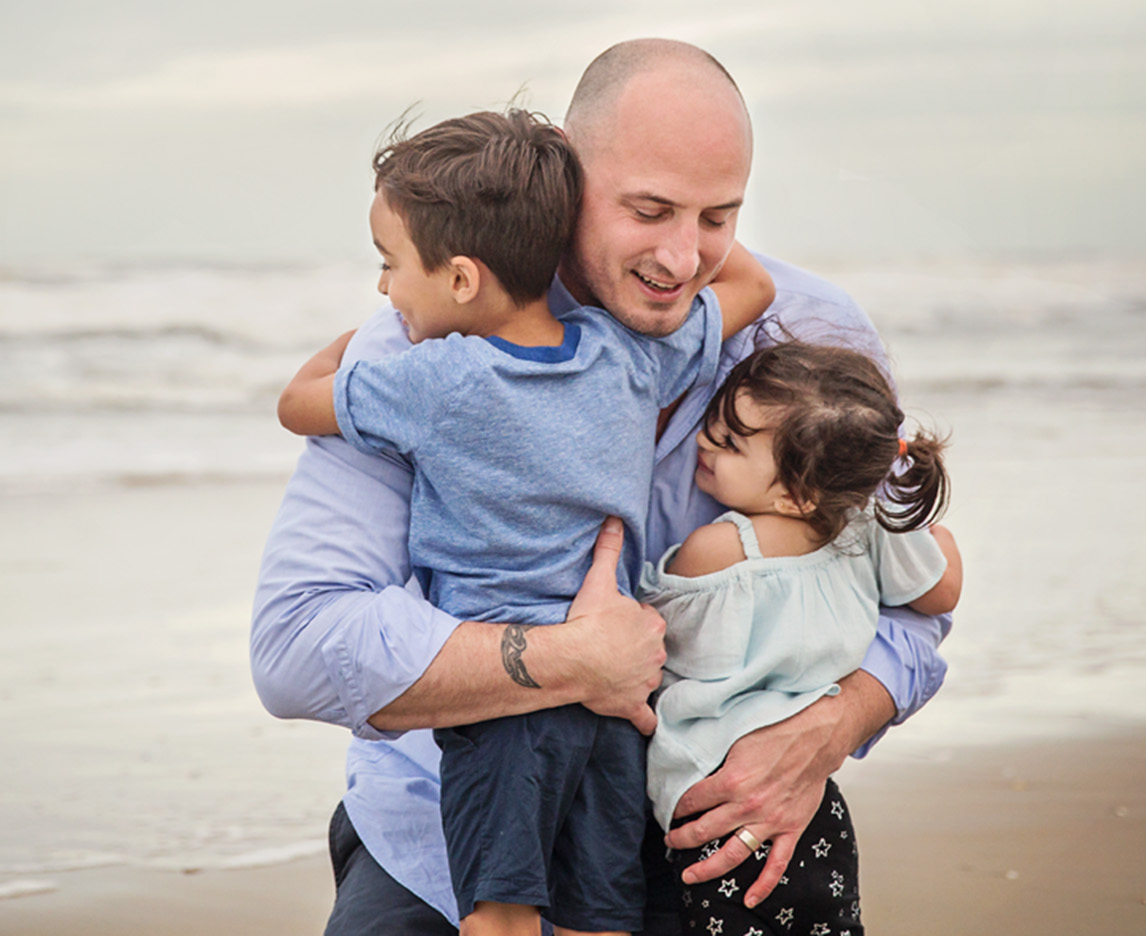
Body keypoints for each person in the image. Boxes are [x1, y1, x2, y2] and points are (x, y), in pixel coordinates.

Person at [250, 39, 954, 934]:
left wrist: (836, 720)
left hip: (718, 820)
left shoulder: (806, 334)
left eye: (717, 216)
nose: (681, 256)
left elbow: (909, 594)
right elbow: (297, 645)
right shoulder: (428, 355)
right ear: (567, 182)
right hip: (451, 820)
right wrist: (568, 662)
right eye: (649, 209)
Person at [276, 109, 776, 935]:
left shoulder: (432, 378)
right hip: (617, 711)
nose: (383, 289)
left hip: (500, 711)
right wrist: (702, 229)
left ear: (463, 280)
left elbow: (296, 407)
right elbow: (749, 288)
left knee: (499, 915)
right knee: (597, 915)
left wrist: (351, 350)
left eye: (390, 265)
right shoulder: (626, 356)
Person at [643, 340, 963, 936]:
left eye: (731, 442)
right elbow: (940, 595)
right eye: (714, 422)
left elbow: (649, 651)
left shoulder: (716, 552)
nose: (705, 442)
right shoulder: (861, 531)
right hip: (817, 806)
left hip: (713, 804)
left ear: (795, 494)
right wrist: (904, 522)